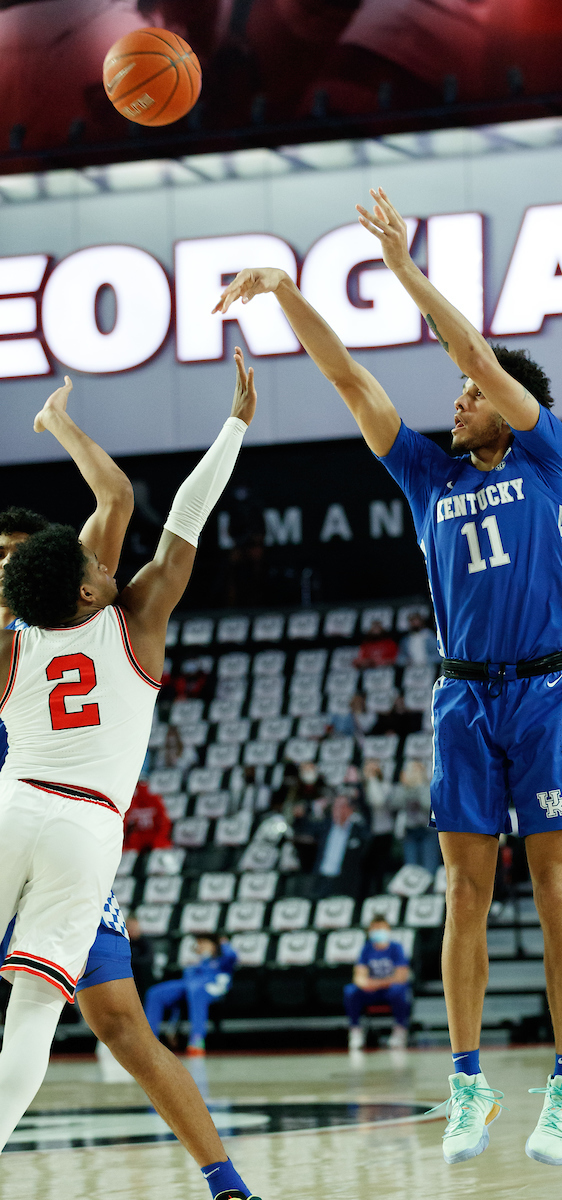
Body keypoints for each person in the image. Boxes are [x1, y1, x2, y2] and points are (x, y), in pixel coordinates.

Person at [216, 189, 562, 1169]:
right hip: (461, 693)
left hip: (544, 689)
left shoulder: (546, 454)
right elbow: (346, 378)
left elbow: (472, 354)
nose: (456, 401)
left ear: (508, 405)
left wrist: (397, 263)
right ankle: (466, 1085)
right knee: (462, 895)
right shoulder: (431, 479)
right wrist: (286, 291)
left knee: (554, 888)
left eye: (473, 396)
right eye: (462, 396)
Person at [0, 354, 263, 1200]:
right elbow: (177, 514)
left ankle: (222, 1176)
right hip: (83, 826)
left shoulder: (14, 639)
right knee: (36, 1011)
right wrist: (234, 427)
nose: (112, 562)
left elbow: (111, 508)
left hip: (14, 806)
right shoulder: (137, 616)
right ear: (84, 585)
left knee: (114, 1021)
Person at [145, 935, 237, 1056]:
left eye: (204, 942)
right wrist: (172, 1026)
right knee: (155, 993)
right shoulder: (195, 965)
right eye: (199, 943)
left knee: (196, 991)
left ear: (214, 945)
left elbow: (232, 956)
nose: (201, 946)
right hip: (191, 987)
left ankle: (197, 1040)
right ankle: (149, 1040)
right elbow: (181, 999)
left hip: (214, 986)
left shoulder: (223, 960)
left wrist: (223, 943)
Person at [344, 917, 412, 1051]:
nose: (378, 932)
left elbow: (401, 976)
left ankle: (399, 1030)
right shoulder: (366, 949)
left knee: (399, 991)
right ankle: (355, 1031)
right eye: (375, 929)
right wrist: (366, 984)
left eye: (381, 928)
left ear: (388, 930)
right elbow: (359, 976)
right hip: (372, 991)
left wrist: (376, 983)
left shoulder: (396, 948)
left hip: (388, 989)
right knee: (350, 991)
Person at [314, 793, 371, 898]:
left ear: (350, 809)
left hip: (344, 881)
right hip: (322, 878)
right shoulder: (325, 827)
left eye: (341, 807)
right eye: (334, 807)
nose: (336, 811)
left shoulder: (358, 830)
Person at [393, 759, 441, 874]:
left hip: (428, 831)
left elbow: (428, 805)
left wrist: (420, 785)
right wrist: (404, 787)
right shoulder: (403, 787)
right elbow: (395, 804)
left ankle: (429, 890)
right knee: (411, 868)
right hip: (410, 831)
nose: (413, 774)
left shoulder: (429, 786)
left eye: (416, 770)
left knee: (429, 867)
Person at [362, 759, 399, 895]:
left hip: (383, 832)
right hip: (366, 833)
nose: (370, 773)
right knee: (365, 867)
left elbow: (378, 800)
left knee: (380, 867)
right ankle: (364, 895)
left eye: (373, 770)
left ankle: (379, 892)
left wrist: (372, 780)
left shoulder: (385, 786)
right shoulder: (361, 788)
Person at [123, 777, 173, 851]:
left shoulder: (154, 800)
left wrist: (160, 836)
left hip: (154, 838)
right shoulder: (130, 802)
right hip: (135, 840)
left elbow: (164, 822)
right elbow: (124, 824)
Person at [126, 915, 155, 997]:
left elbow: (148, 959)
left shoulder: (145, 942)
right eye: (129, 926)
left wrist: (132, 961)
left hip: (142, 977)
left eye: (134, 926)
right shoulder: (124, 942)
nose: (132, 929)